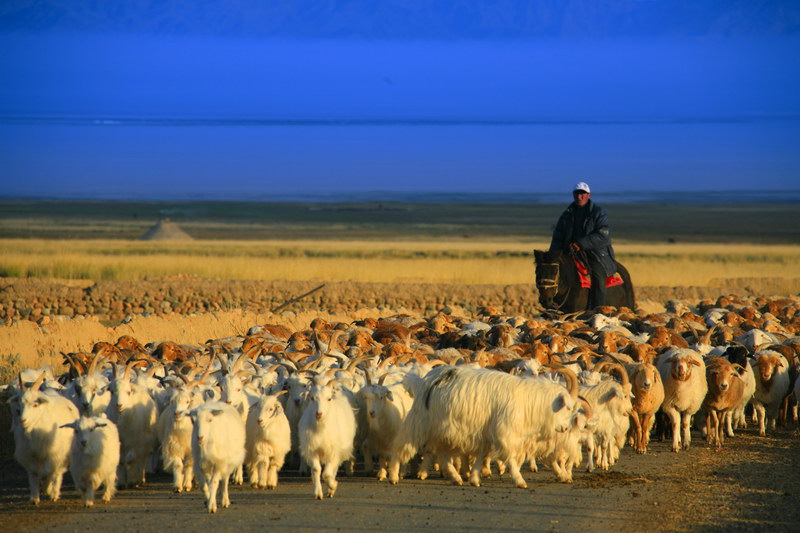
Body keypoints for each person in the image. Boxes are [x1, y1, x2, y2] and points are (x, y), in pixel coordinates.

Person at [549, 182, 617, 309]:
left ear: (588, 195)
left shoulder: (598, 212)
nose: (579, 196)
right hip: (570, 252)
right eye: (577, 193)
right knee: (550, 276)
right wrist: (552, 255)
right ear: (573, 195)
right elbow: (558, 236)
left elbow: (603, 235)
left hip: (595, 253)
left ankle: (598, 310)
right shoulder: (567, 214)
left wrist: (581, 244)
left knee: (598, 279)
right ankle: (552, 306)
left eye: (582, 193)